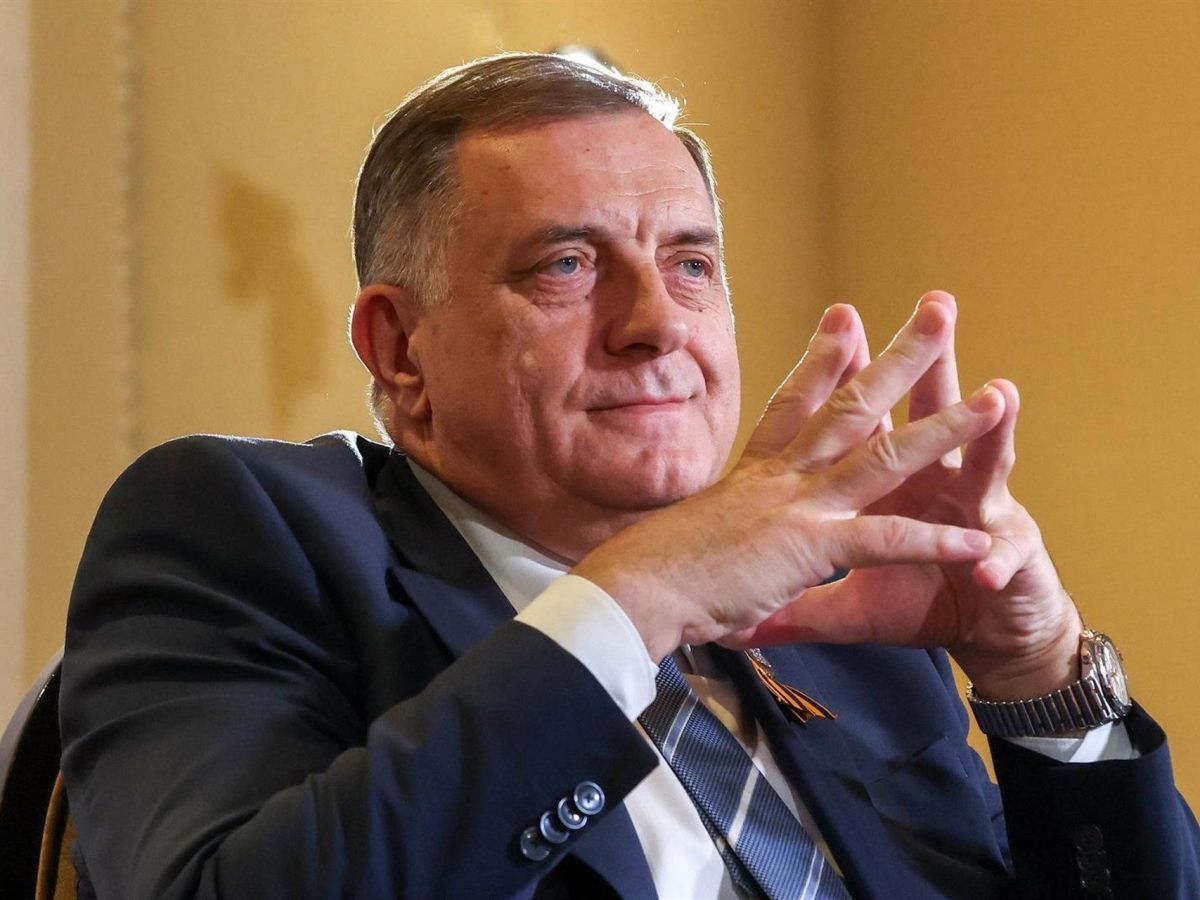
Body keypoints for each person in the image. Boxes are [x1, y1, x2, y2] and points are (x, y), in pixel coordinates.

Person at [60, 52, 1199, 900]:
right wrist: (642, 595)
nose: (656, 322)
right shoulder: (245, 534)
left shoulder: (843, 621)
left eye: (690, 264)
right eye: (566, 264)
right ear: (400, 351)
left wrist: (1039, 677)